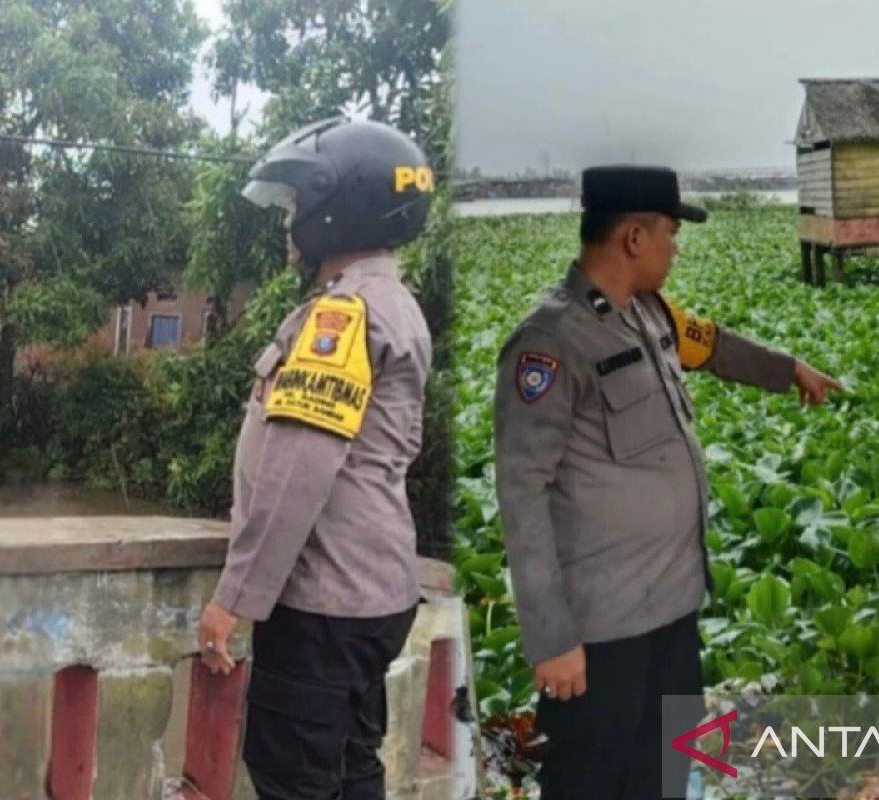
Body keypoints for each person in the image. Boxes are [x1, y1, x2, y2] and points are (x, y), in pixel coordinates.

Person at [493, 165, 843, 799]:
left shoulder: (650, 315)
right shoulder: (550, 342)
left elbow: (716, 347)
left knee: (665, 774)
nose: (675, 249)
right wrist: (551, 638)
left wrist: (790, 369)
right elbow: (522, 493)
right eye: (671, 235)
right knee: (591, 782)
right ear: (634, 238)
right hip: (601, 633)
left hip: (673, 609)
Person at [197, 117, 436, 800]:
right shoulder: (398, 305)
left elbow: (296, 471)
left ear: (339, 208)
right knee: (352, 769)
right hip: (377, 594)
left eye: (299, 206)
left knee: (293, 777)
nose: (290, 223)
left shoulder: (344, 316)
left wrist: (232, 597)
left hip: (322, 605)